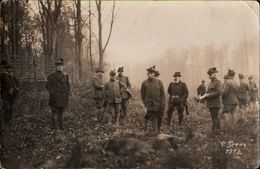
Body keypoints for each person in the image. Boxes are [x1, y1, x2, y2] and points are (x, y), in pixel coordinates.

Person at [46, 58, 71, 130]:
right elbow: (47, 85)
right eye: (57, 66)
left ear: (63, 66)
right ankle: (55, 127)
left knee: (61, 113)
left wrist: (67, 93)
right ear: (56, 67)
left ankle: (62, 126)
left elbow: (68, 85)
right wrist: (52, 92)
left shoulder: (65, 76)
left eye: (60, 65)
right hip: (54, 98)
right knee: (54, 113)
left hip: (63, 98)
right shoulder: (51, 76)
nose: (59, 67)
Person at [141, 66, 165, 134]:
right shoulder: (144, 83)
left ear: (154, 74)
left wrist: (162, 105)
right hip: (150, 106)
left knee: (159, 120)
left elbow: (163, 95)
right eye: (148, 73)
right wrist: (146, 103)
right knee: (154, 120)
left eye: (151, 73)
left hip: (159, 105)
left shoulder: (159, 82)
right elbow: (142, 95)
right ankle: (156, 134)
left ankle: (158, 132)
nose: (149, 74)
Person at [203, 67, 222, 135]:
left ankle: (214, 131)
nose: (209, 76)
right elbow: (208, 92)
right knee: (215, 117)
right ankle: (218, 130)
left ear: (214, 75)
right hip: (211, 103)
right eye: (209, 75)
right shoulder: (210, 83)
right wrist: (205, 96)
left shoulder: (218, 83)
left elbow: (219, 92)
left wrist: (208, 95)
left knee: (215, 117)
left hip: (215, 103)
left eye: (210, 75)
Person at [0, 60, 19, 126]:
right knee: (7, 108)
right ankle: (6, 122)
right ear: (4, 69)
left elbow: (17, 82)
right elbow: (3, 85)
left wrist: (16, 87)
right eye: (7, 68)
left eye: (10, 68)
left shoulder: (12, 75)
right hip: (5, 95)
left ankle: (9, 121)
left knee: (11, 108)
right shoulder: (2, 76)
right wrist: (8, 88)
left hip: (12, 95)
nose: (9, 70)